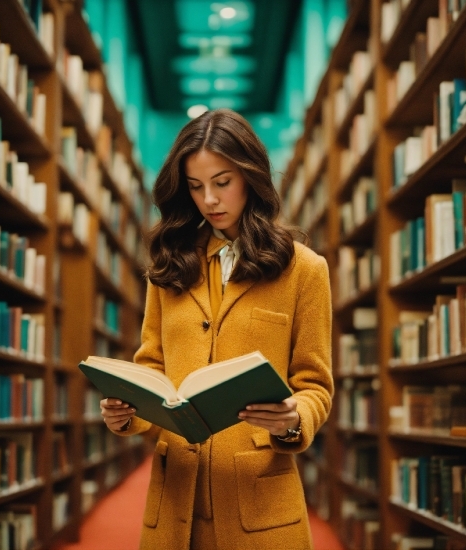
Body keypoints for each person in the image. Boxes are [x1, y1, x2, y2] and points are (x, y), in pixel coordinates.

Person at [100, 108, 333, 550]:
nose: (209, 199)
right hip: (175, 503)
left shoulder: (305, 271)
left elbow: (315, 385)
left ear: (251, 177)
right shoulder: (168, 269)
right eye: (195, 187)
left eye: (222, 182)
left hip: (258, 504)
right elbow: (150, 367)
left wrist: (292, 420)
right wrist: (125, 414)